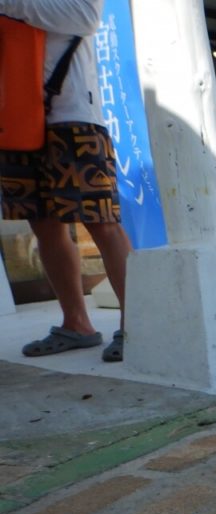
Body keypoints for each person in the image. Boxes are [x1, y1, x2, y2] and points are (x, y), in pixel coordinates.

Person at [0, 0, 131, 362]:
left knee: (102, 221)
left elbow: (85, 16)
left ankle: (138, 324)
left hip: (74, 111)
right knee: (42, 224)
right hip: (15, 114)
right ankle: (76, 324)